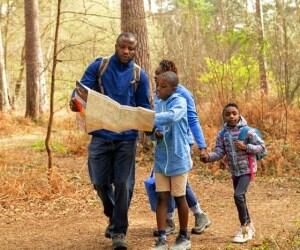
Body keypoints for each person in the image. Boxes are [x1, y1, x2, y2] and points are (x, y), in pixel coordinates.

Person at [70, 32, 151, 250]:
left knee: (124, 185)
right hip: (100, 136)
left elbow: (144, 106)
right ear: (116, 46)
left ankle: (119, 233)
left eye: (131, 48)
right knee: (99, 182)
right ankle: (114, 217)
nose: (126, 52)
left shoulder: (139, 75)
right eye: (123, 47)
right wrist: (75, 101)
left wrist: (153, 129)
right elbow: (81, 92)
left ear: (136, 50)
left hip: (126, 139)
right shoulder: (99, 67)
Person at [152, 60, 211, 236]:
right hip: (163, 145)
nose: (157, 84)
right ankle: (171, 219)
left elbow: (192, 119)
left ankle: (197, 215)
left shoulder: (183, 95)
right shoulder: (159, 93)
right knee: (169, 185)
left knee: (179, 186)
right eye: (156, 80)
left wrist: (202, 146)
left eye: (159, 79)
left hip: (180, 143)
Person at [202, 103, 266, 243]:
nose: (231, 116)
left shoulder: (248, 131)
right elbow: (219, 152)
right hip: (234, 171)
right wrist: (208, 158)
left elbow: (261, 147)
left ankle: (244, 229)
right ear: (224, 117)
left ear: (239, 114)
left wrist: (246, 147)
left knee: (238, 195)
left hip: (247, 169)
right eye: (228, 114)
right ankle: (249, 226)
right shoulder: (223, 134)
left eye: (234, 113)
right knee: (240, 197)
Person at [151, 71, 192, 250]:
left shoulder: (179, 102)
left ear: (174, 88)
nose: (158, 89)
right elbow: (152, 131)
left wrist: (149, 117)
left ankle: (184, 236)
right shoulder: (157, 103)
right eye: (157, 85)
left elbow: (172, 116)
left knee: (180, 197)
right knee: (162, 198)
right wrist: (154, 133)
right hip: (161, 160)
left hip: (178, 159)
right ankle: (161, 238)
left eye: (163, 86)